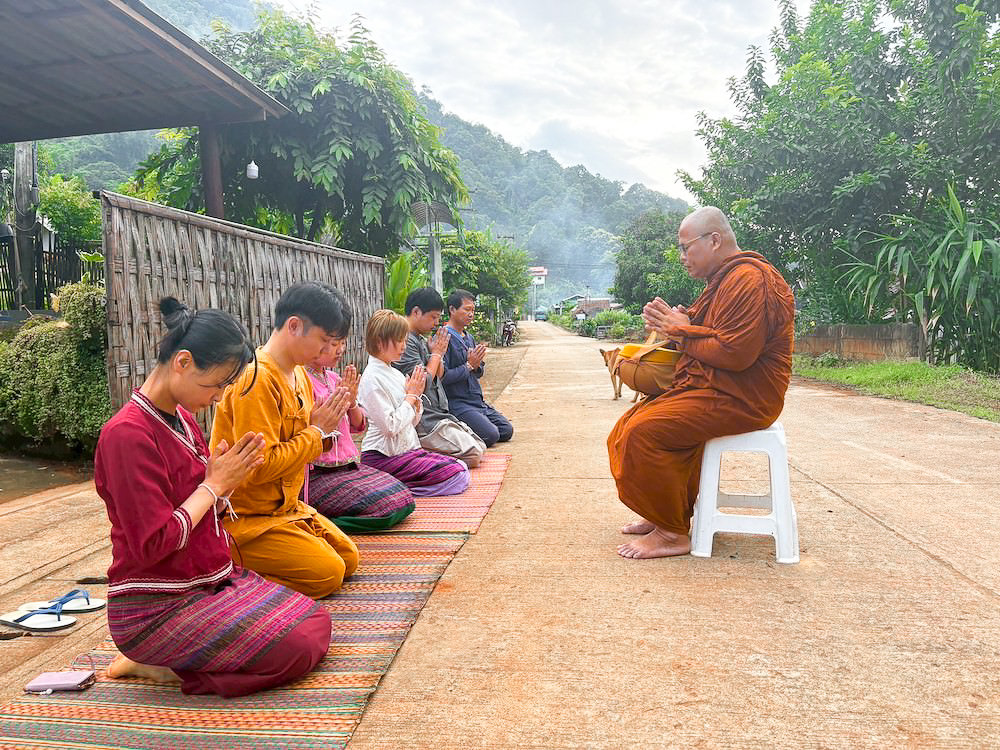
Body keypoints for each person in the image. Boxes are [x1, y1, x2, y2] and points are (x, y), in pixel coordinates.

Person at [94, 298, 332, 697]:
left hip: (209, 581)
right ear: (183, 362)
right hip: (156, 608)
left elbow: (203, 504)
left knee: (313, 620)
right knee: (298, 647)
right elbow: (153, 542)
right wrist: (213, 486)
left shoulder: (183, 419)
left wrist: (226, 483)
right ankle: (164, 666)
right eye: (217, 385)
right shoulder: (126, 435)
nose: (220, 397)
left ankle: (183, 658)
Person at [608, 206, 795, 559]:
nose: (682, 257)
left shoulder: (750, 280)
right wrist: (681, 321)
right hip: (717, 389)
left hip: (745, 397)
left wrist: (681, 330)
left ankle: (672, 534)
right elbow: (711, 331)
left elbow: (735, 354)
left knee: (645, 433)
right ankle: (663, 512)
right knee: (628, 425)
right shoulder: (724, 281)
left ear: (714, 240)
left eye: (685, 247)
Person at [210, 282, 360, 598]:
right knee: (328, 575)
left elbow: (305, 440)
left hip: (288, 509)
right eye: (324, 340)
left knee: (348, 558)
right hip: (247, 518)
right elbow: (258, 468)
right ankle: (222, 569)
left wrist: (325, 432)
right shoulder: (257, 378)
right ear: (294, 326)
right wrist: (316, 433)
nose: (327, 350)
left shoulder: (299, 374)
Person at [302, 335, 415, 532]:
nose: (340, 350)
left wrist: (352, 402)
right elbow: (316, 431)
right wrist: (336, 405)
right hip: (317, 473)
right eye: (334, 344)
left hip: (348, 467)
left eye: (342, 343)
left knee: (403, 498)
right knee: (385, 508)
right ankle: (321, 524)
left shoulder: (334, 379)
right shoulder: (301, 383)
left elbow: (358, 425)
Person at [358, 309, 471, 496]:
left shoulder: (395, 373)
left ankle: (395, 487)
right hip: (382, 456)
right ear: (379, 341)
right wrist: (411, 397)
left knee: (460, 466)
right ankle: (396, 489)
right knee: (456, 474)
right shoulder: (371, 378)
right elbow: (390, 427)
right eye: (399, 341)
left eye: (404, 340)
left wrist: (416, 400)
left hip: (406, 450)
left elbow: (413, 422)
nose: (403, 346)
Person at [393, 287, 486, 468]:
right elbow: (423, 382)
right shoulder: (405, 341)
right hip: (423, 419)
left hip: (438, 413)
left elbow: (439, 375)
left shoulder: (420, 339)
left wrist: (438, 353)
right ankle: (418, 454)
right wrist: (436, 354)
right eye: (433, 317)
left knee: (480, 446)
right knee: (474, 454)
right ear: (416, 312)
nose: (436, 323)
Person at [441, 289, 514, 447]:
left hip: (476, 401)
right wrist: (468, 366)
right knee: (491, 435)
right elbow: (443, 377)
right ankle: (455, 429)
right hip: (458, 402)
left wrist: (476, 365)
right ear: (452, 309)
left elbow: (478, 371)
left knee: (506, 430)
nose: (471, 314)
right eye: (467, 309)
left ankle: (474, 424)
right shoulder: (443, 338)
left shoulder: (469, 337)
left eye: (473, 310)